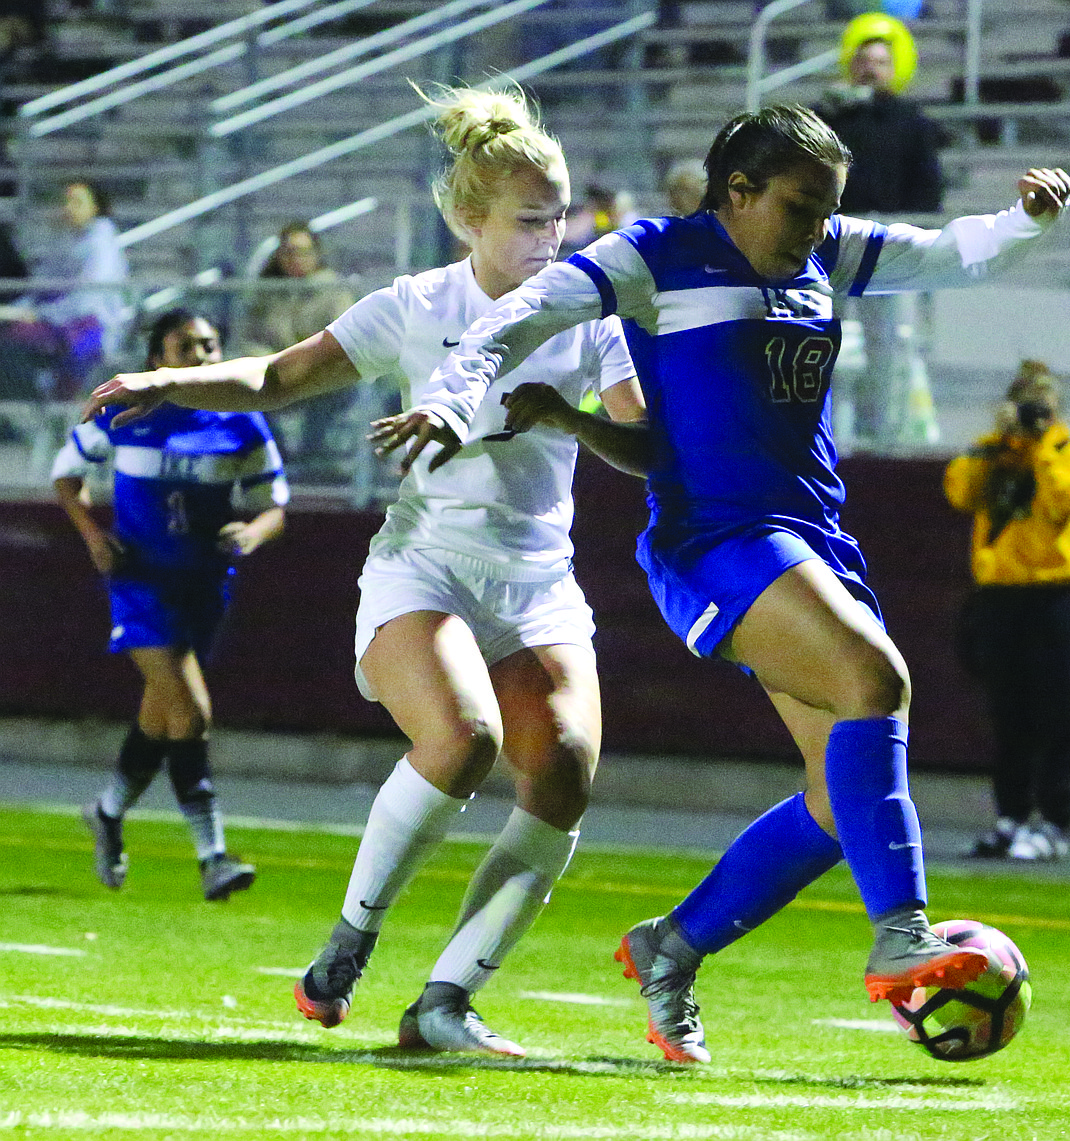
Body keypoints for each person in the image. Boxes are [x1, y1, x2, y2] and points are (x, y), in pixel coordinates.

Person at [342, 103, 1070, 1064]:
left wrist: (1025, 220)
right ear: (737, 192)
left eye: (827, 210)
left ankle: (671, 947)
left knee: (831, 796)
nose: (819, 227)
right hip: (717, 535)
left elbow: (941, 253)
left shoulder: (820, 249)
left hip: (812, 533)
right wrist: (449, 394)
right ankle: (903, 932)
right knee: (877, 683)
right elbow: (519, 317)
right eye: (802, 206)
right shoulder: (652, 255)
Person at [84, 84, 645, 1056]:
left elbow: (647, 448)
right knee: (464, 737)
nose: (549, 238)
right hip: (423, 568)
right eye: (527, 220)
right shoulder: (417, 307)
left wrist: (567, 416)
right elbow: (277, 377)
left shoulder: (587, 313)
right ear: (469, 217)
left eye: (559, 217)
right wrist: (167, 382)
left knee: (561, 772)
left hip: (538, 582)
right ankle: (354, 932)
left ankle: (446, 1002)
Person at [53, 308, 288, 901]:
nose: (205, 357)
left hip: (205, 583)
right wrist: (92, 534)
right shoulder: (122, 412)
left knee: (163, 712)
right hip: (141, 579)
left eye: (211, 345)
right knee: (192, 712)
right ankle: (213, 857)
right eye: (188, 346)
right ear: (158, 356)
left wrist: (253, 533)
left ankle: (107, 813)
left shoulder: (241, 422)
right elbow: (66, 476)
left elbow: (274, 505)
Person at [944, 361, 1070, 862]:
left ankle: (1053, 823)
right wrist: (1000, 438)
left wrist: (1041, 447)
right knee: (1008, 713)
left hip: (1055, 596)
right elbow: (959, 490)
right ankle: (1009, 819)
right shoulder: (994, 455)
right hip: (1001, 597)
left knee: (1057, 712)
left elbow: (1067, 501)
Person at [816, 14, 943, 448]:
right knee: (817, 333)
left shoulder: (912, 120)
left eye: (880, 62)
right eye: (864, 60)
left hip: (887, 241)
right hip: (831, 238)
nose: (871, 69)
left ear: (896, 68)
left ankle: (879, 435)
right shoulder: (827, 116)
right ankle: (812, 426)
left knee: (886, 342)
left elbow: (929, 188)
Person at [240, 221, 359, 475]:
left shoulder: (335, 291)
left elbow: (341, 340)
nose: (294, 259)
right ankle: (277, 458)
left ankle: (314, 460)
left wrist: (303, 362)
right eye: (288, 252)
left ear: (316, 255)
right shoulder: (267, 291)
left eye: (302, 252)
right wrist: (267, 361)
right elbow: (248, 337)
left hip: (318, 375)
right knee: (244, 387)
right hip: (275, 373)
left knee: (333, 388)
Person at [2, 180, 129, 395]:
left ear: (95, 207)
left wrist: (37, 314)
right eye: (66, 201)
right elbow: (42, 288)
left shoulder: (101, 243)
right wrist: (16, 310)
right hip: (60, 321)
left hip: (88, 328)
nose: (69, 208)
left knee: (12, 344)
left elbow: (86, 302)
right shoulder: (67, 240)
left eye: (77, 202)